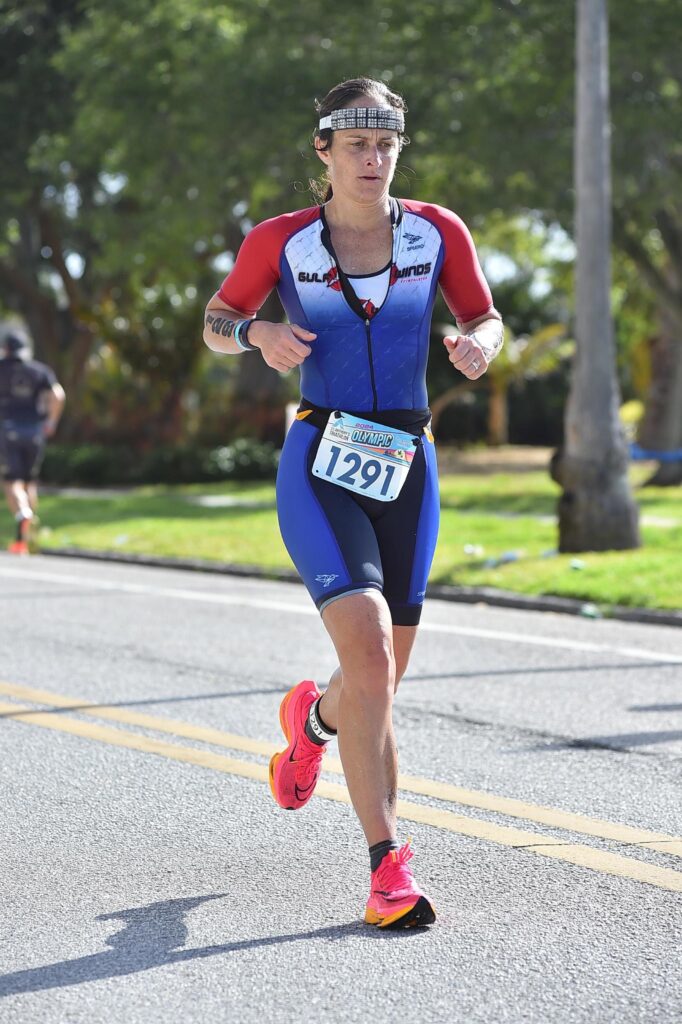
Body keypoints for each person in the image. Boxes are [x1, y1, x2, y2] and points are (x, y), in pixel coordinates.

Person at [203, 77, 503, 928]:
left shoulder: (438, 231)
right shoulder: (283, 241)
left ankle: (312, 723)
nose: (374, 160)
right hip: (321, 459)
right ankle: (387, 869)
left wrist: (477, 343)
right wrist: (255, 332)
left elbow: (486, 315)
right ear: (324, 151)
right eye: (357, 145)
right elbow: (216, 318)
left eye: (387, 145)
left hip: (409, 462)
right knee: (370, 655)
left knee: (379, 681)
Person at [0, 327, 65, 554]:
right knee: (30, 482)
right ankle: (27, 537)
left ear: (6, 348)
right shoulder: (39, 370)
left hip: (9, 431)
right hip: (35, 432)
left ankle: (22, 515)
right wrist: (51, 422)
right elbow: (58, 395)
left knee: (11, 482)